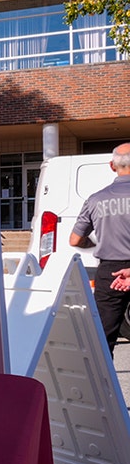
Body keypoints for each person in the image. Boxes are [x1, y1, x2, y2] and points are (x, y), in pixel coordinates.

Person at [69, 142, 130, 354]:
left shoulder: (96, 199)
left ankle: (106, 386)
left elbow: (75, 240)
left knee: (103, 339)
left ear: (112, 166)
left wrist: (92, 243)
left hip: (109, 272)